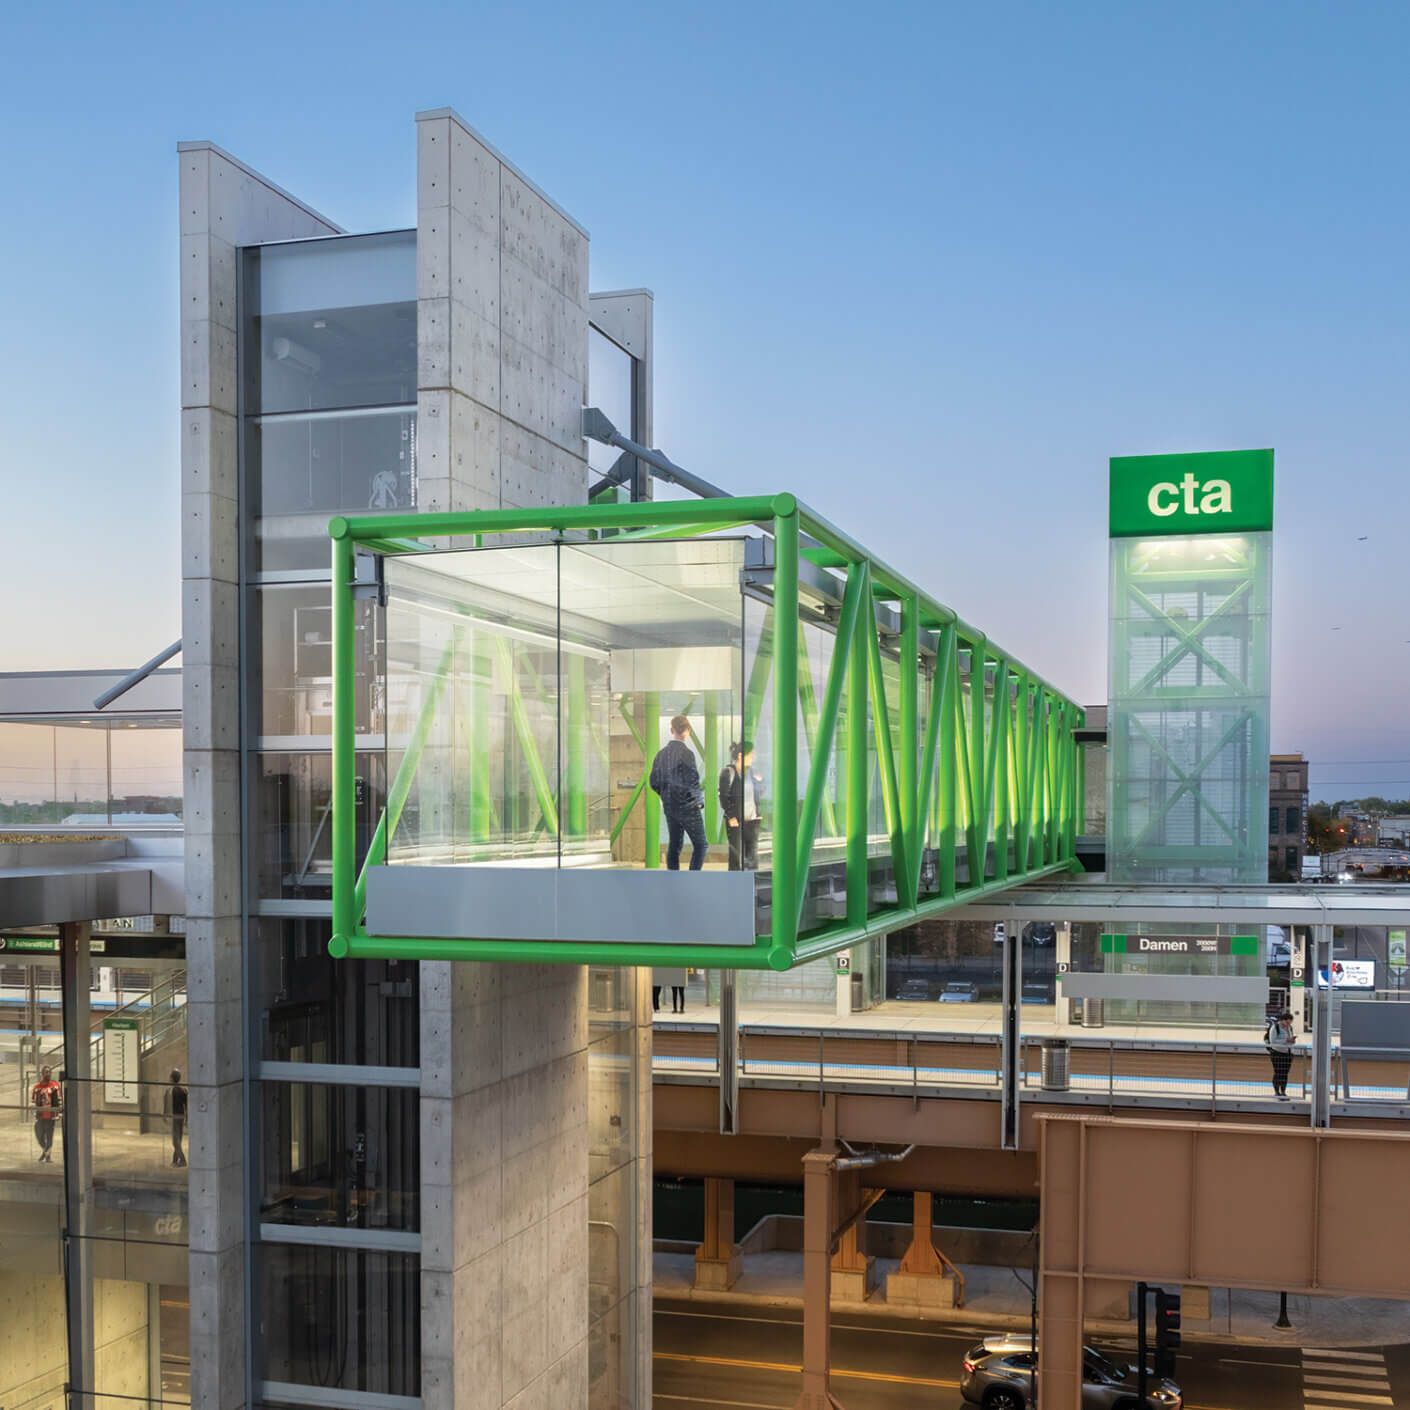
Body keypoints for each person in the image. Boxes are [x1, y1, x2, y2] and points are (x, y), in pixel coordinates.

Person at [649, 715, 707, 871]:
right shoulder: (687, 753)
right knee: (701, 845)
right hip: (688, 807)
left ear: (671, 730)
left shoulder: (661, 755)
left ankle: (673, 879)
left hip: (670, 807)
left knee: (674, 845)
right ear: (687, 731)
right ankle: (692, 878)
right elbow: (693, 780)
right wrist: (699, 802)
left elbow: (653, 782)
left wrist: (666, 795)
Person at [718, 740, 764, 871]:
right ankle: (734, 883)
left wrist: (760, 782)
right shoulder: (728, 773)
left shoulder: (751, 773)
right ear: (740, 756)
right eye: (751, 754)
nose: (753, 758)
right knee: (736, 854)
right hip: (736, 821)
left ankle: (752, 881)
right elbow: (723, 796)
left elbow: (760, 792)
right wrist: (731, 816)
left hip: (752, 820)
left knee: (752, 855)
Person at [32, 1065, 61, 1163]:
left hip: (50, 1116)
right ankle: (45, 1152)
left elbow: (59, 1101)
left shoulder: (55, 1086)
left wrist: (59, 1114)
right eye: (46, 1072)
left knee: (49, 1137)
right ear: (42, 1073)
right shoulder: (37, 1087)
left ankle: (47, 1157)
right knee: (39, 1135)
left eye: (49, 1072)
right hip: (40, 1116)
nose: (48, 1074)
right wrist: (34, 1114)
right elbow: (33, 1102)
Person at [1265, 1009, 1296, 1099]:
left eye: (1290, 1022)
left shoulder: (1290, 1028)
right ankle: (1276, 1091)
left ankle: (1283, 1091)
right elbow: (1273, 1041)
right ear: (1282, 1020)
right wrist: (1286, 1040)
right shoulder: (1275, 1028)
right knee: (1278, 1072)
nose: (1288, 1024)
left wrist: (1292, 1041)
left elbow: (1290, 1040)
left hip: (1288, 1053)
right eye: (1287, 1022)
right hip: (1277, 1053)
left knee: (1285, 1073)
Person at [167, 1069, 188, 1167]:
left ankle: (183, 1160)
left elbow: (169, 1105)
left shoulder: (172, 1091)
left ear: (172, 1078)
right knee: (178, 1139)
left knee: (175, 1141)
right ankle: (175, 1160)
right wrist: (186, 1118)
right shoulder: (183, 1090)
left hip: (175, 1117)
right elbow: (186, 1105)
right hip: (181, 1116)